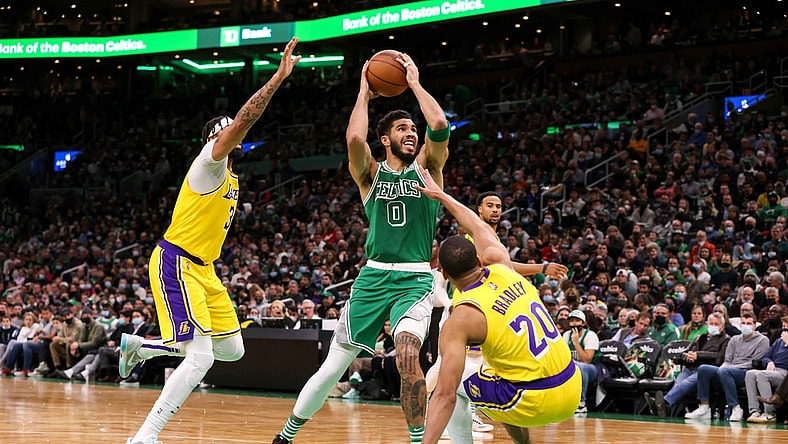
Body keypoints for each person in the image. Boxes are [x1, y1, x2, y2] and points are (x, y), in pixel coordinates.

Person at [119, 37, 302, 444]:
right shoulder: (207, 163)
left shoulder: (232, 175)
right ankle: (145, 437)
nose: (232, 131)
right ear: (212, 141)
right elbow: (243, 120)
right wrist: (277, 77)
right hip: (176, 261)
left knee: (232, 350)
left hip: (204, 270)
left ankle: (143, 346)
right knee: (200, 357)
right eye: (224, 129)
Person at [272, 51, 450, 444]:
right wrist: (364, 93)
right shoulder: (369, 174)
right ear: (385, 140)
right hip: (372, 277)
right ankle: (286, 435)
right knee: (334, 366)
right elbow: (355, 137)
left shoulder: (428, 168)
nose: (411, 133)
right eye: (402, 128)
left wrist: (415, 83)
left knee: (406, 354)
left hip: (415, 278)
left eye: (412, 129)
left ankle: (420, 439)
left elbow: (438, 123)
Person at [415, 164, 580, 444]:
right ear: (480, 260)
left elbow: (444, 395)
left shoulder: (461, 318)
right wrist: (441, 196)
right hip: (573, 385)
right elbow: (475, 224)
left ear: (442, 272)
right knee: (494, 371)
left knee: (452, 385)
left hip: (534, 401)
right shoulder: (502, 264)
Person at [684, 312, 770, 419]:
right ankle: (704, 407)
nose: (745, 326)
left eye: (748, 323)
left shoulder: (763, 340)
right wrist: (724, 367)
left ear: (754, 326)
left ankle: (735, 407)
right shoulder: (734, 339)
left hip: (746, 372)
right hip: (729, 370)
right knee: (704, 369)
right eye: (743, 323)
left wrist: (729, 368)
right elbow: (727, 360)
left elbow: (754, 363)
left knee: (725, 371)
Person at [644, 312, 730, 418]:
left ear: (722, 327)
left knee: (685, 383)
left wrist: (697, 355)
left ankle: (664, 403)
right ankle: (664, 409)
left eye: (716, 324)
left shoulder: (726, 339)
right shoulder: (699, 337)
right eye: (711, 323)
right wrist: (687, 356)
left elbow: (719, 357)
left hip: (706, 371)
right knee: (678, 384)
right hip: (690, 368)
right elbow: (684, 352)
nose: (713, 326)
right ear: (707, 324)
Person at [744, 315, 788, 423]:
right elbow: (765, 356)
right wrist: (769, 362)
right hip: (773, 370)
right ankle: (754, 411)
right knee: (750, 373)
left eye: (787, 327)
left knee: (762, 375)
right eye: (784, 327)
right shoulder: (779, 341)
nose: (785, 330)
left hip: (785, 374)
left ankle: (770, 413)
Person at [564, 309, 600, 414]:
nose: (574, 323)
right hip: (573, 367)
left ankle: (581, 403)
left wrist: (576, 343)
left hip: (592, 369)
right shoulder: (566, 335)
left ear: (583, 323)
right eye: (571, 321)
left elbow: (587, 360)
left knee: (581, 367)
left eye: (577, 321)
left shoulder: (590, 335)